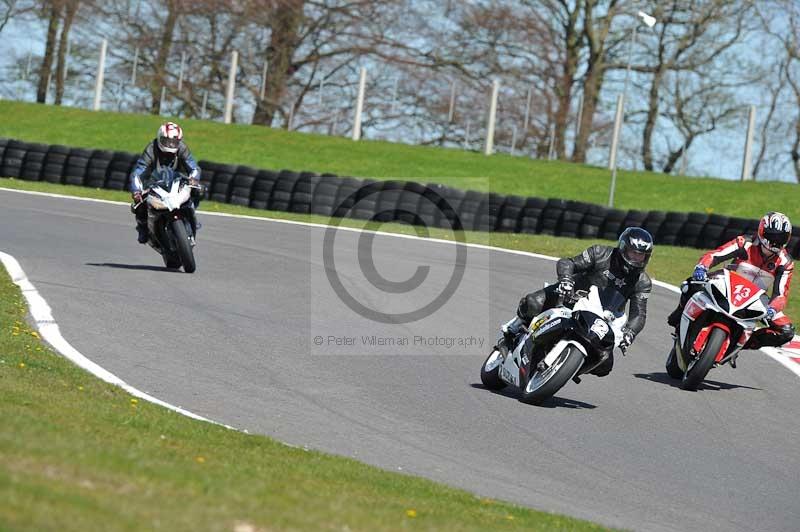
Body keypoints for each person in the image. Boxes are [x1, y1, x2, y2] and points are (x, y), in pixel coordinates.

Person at [501, 227, 654, 377]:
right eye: (633, 253)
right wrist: (566, 280)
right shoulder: (600, 253)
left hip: (602, 319)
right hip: (570, 298)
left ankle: (570, 366)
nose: (636, 258)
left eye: (641, 255)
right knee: (533, 303)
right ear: (623, 248)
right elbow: (568, 263)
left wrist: (630, 333)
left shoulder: (642, 282)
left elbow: (639, 314)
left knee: (605, 365)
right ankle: (512, 330)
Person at [666, 211, 795, 349]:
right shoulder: (744, 243)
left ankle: (741, 344)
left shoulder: (785, 262)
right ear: (762, 230)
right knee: (690, 284)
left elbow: (781, 294)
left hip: (755, 298)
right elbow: (716, 255)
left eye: (781, 237)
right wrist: (702, 267)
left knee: (786, 331)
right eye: (772, 236)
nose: (776, 241)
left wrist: (772, 309)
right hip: (726, 282)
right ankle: (679, 317)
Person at [130, 122, 202, 243]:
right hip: (153, 181)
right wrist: (136, 191)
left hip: (177, 179)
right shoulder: (151, 149)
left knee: (199, 190)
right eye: (167, 141)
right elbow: (137, 172)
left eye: (174, 142)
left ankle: (192, 214)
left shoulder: (182, 148)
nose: (170, 145)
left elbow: (194, 167)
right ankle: (143, 228)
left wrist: (193, 179)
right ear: (159, 138)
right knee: (139, 203)